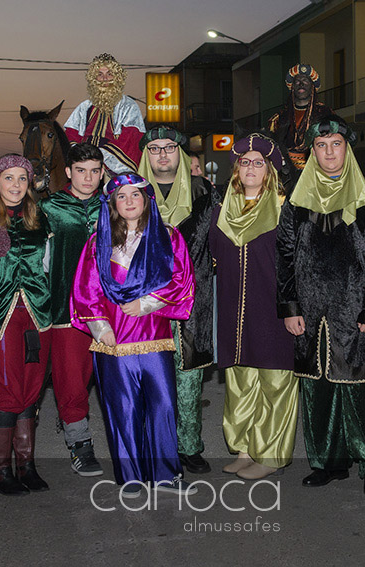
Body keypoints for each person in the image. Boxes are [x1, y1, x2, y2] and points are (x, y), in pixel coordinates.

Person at [276, 116, 365, 496]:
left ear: (347, 148)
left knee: (363, 390)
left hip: (356, 309)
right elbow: (285, 253)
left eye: (336, 144)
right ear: (312, 151)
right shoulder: (295, 196)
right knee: (319, 390)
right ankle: (329, 462)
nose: (329, 152)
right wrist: (290, 306)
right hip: (311, 313)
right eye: (321, 146)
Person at [71, 173, 197, 497]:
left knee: (164, 405)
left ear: (147, 200)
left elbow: (182, 280)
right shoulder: (97, 243)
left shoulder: (168, 237)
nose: (129, 201)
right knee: (122, 410)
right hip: (113, 342)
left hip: (154, 338)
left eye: (135, 195)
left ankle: (167, 475)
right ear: (112, 203)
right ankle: (130, 477)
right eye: (122, 196)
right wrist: (100, 327)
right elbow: (87, 290)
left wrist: (148, 302)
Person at [210, 134, 297, 480]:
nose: (250, 167)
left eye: (258, 162)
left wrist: (294, 307)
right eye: (244, 162)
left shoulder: (284, 208)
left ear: (270, 170)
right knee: (239, 381)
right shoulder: (221, 209)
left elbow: (295, 263)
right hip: (233, 309)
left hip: (273, 309)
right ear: (236, 169)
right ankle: (244, 447)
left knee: (275, 382)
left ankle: (271, 454)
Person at [0, 154, 52, 496]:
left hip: (35, 313)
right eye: (9, 178)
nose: (16, 185)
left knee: (31, 387)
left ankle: (26, 465)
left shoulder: (40, 217)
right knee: (6, 389)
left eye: (22, 178)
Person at [137, 125, 216, 474]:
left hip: (193, 299)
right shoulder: (131, 192)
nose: (162, 154)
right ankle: (154, 446)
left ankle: (188, 447)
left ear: (179, 153)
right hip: (144, 304)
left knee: (189, 378)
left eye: (169, 147)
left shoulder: (204, 191)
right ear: (146, 155)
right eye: (154, 149)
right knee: (149, 378)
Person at [38, 142, 105, 477]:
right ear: (68, 172)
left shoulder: (113, 205)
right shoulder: (49, 207)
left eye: (94, 171)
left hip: (110, 310)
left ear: (102, 172)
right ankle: (80, 444)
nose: (88, 178)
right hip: (66, 309)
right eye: (81, 171)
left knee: (113, 379)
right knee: (72, 380)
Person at [64, 53, 146, 174]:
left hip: (114, 168)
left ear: (117, 77)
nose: (104, 79)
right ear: (93, 78)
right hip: (84, 162)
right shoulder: (85, 106)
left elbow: (132, 137)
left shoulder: (129, 105)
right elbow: (71, 132)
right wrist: (80, 154)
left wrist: (100, 156)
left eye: (109, 74)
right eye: (100, 75)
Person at [266, 63, 334, 174]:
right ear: (292, 87)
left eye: (305, 81)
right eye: (297, 81)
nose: (301, 84)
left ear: (312, 86)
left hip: (318, 170)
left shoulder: (325, 114)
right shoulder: (279, 118)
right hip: (287, 172)